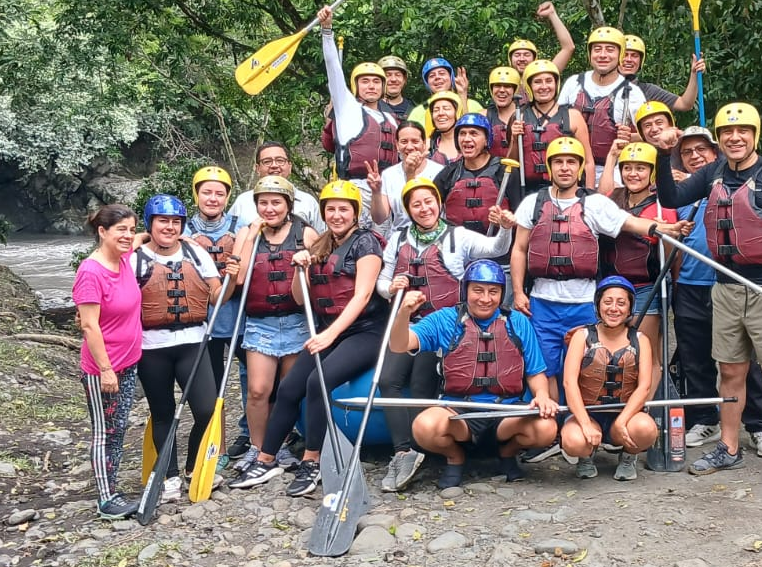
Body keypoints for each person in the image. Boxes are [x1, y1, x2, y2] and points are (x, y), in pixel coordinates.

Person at [650, 102, 762, 494]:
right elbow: (671, 198)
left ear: (755, 134)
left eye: (743, 131)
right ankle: (728, 447)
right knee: (730, 372)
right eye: (727, 132)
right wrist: (662, 153)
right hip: (725, 287)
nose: (735, 138)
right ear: (720, 139)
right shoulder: (712, 173)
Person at [509, 137, 688, 463]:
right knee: (546, 369)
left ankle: (589, 427)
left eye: (571, 162)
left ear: (580, 168)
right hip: (543, 300)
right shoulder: (532, 203)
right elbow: (519, 249)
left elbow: (630, 223)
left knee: (588, 368)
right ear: (550, 167)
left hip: (582, 301)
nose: (565, 168)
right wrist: (519, 291)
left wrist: (664, 228)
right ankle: (557, 432)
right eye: (559, 162)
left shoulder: (593, 204)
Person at [232, 181, 388, 495]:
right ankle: (266, 458)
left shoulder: (366, 243)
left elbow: (362, 296)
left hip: (366, 331)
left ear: (354, 213)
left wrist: (330, 334)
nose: (337, 215)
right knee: (290, 387)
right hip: (331, 331)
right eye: (331, 209)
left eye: (343, 209)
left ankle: (311, 460)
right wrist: (299, 270)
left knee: (318, 382)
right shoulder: (320, 244)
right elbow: (300, 298)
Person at [374, 178, 515, 491]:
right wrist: (391, 287)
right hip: (408, 323)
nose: (424, 208)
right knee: (388, 380)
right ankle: (404, 452)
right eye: (416, 204)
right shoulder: (398, 239)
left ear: (438, 204)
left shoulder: (457, 236)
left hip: (443, 327)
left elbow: (496, 249)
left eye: (429, 202)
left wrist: (505, 228)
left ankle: (428, 447)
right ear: (408, 209)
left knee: (421, 384)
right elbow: (382, 282)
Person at [387, 260, 558, 488]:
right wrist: (403, 314)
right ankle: (454, 457)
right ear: (465, 290)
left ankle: (507, 453)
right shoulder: (445, 319)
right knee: (423, 426)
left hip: (506, 412)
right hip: (459, 412)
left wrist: (542, 395)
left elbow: (536, 372)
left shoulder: (518, 322)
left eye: (493, 292)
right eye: (478, 290)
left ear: (501, 294)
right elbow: (399, 345)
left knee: (547, 428)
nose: (485, 299)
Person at [667, 126, 762, 457]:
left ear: (715, 153)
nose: (695, 156)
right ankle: (705, 419)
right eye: (687, 152)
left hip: (730, 284)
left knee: (743, 360)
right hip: (690, 285)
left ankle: (758, 425)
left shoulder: (737, 183)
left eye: (701, 149)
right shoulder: (682, 193)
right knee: (694, 359)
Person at [222, 176, 322, 472]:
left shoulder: (305, 233)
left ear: (288, 205)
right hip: (260, 324)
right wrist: (252, 235)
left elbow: (320, 276)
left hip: (296, 322)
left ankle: (280, 446)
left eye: (276, 202)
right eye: (263, 203)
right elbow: (239, 277)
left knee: (286, 391)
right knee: (258, 390)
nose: (269, 208)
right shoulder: (247, 233)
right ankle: (257, 447)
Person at [133, 195, 222, 502]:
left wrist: (232, 279)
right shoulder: (134, 259)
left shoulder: (196, 253)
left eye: (175, 222)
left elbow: (216, 295)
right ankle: (169, 475)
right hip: (151, 347)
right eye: (163, 221)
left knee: (206, 410)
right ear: (150, 224)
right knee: (163, 413)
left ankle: (193, 467)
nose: (169, 227)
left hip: (193, 343)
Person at [74, 204, 144, 519]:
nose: (128, 235)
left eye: (131, 229)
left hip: (128, 362)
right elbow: (89, 326)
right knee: (105, 432)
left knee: (119, 428)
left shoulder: (123, 258)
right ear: (102, 232)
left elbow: (140, 240)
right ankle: (106, 499)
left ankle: (113, 488)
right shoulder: (91, 272)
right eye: (121, 230)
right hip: (104, 369)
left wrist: (158, 236)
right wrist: (106, 370)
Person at [181, 166, 253, 458]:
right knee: (212, 388)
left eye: (219, 193)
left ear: (227, 197)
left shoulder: (241, 226)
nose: (213, 198)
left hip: (239, 318)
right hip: (203, 321)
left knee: (254, 383)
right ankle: (217, 448)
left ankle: (252, 437)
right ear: (196, 194)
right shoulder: (182, 229)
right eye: (206, 192)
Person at [559, 276, 659, 481]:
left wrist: (622, 421)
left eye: (621, 303)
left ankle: (628, 456)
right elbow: (569, 383)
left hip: (624, 415)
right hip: (588, 413)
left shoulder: (641, 340)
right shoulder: (582, 336)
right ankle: (585, 455)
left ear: (630, 308)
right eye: (607, 302)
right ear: (598, 305)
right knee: (573, 441)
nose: (614, 308)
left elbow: (644, 387)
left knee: (647, 429)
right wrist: (585, 423)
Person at [316, 6, 399, 224]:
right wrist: (327, 31)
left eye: (376, 81)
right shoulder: (348, 110)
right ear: (355, 85)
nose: (371, 86)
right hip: (357, 188)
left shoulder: (391, 119)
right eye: (365, 81)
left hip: (387, 190)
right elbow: (333, 68)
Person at [597, 140, 678, 357]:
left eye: (640, 168)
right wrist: (612, 157)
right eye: (627, 168)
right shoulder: (612, 199)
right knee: (612, 352)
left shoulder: (662, 206)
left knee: (645, 354)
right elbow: (600, 196)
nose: (633, 174)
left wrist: (665, 234)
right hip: (611, 286)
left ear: (652, 172)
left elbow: (670, 258)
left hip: (646, 288)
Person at [558, 26, 645, 178]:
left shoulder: (632, 93)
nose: (603, 55)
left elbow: (650, 135)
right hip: (570, 169)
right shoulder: (574, 83)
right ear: (590, 54)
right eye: (597, 49)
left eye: (610, 50)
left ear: (620, 54)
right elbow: (555, 123)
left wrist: (630, 137)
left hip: (612, 171)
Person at [434, 113, 522, 235]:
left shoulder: (505, 171)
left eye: (474, 133)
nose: (466, 139)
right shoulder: (449, 173)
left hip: (497, 242)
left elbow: (520, 217)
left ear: (486, 140)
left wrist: (505, 222)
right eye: (462, 133)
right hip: (459, 244)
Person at [516, 60, 594, 192]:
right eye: (537, 82)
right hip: (528, 190)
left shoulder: (573, 116)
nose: (544, 86)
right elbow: (512, 162)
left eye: (549, 81)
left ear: (556, 84)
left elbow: (588, 162)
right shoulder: (519, 116)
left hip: (566, 190)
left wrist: (590, 195)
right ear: (529, 86)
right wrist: (514, 138)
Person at [368, 121, 444, 234]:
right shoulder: (388, 174)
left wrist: (410, 173)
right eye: (404, 142)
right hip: (399, 237)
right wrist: (376, 191)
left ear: (424, 144)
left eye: (415, 141)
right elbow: (379, 219)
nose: (409, 147)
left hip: (433, 235)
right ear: (397, 145)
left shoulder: (439, 171)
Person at [229, 142, 319, 227]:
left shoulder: (308, 202)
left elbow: (321, 236)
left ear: (289, 167)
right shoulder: (243, 202)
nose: (274, 165)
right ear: (258, 168)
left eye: (280, 160)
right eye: (267, 161)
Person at [507, 1, 577, 105]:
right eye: (517, 55)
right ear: (510, 59)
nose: (522, 59)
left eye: (527, 55)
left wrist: (552, 14)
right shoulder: (504, 82)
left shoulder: (543, 74)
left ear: (534, 58)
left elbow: (568, 47)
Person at [620, 34, 704, 112]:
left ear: (640, 61)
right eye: (624, 55)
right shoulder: (610, 88)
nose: (629, 59)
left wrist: (694, 74)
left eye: (634, 56)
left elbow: (684, 104)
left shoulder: (648, 91)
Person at [406, 57, 482, 130]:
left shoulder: (472, 105)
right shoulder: (418, 112)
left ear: (451, 77)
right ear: (427, 83)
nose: (437, 77)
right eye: (432, 76)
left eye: (442, 73)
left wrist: (463, 96)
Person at [486, 66, 522, 160]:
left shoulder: (525, 115)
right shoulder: (483, 115)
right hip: (492, 168)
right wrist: (463, 94)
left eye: (507, 86)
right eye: (497, 85)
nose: (502, 90)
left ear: (515, 90)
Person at [423, 91, 464, 165]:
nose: (440, 113)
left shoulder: (469, 142)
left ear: (457, 113)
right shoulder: (426, 146)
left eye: (446, 108)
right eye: (436, 110)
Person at [377, 55, 415, 121]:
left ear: (404, 80)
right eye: (387, 75)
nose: (393, 79)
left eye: (398, 75)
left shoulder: (415, 110)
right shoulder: (369, 108)